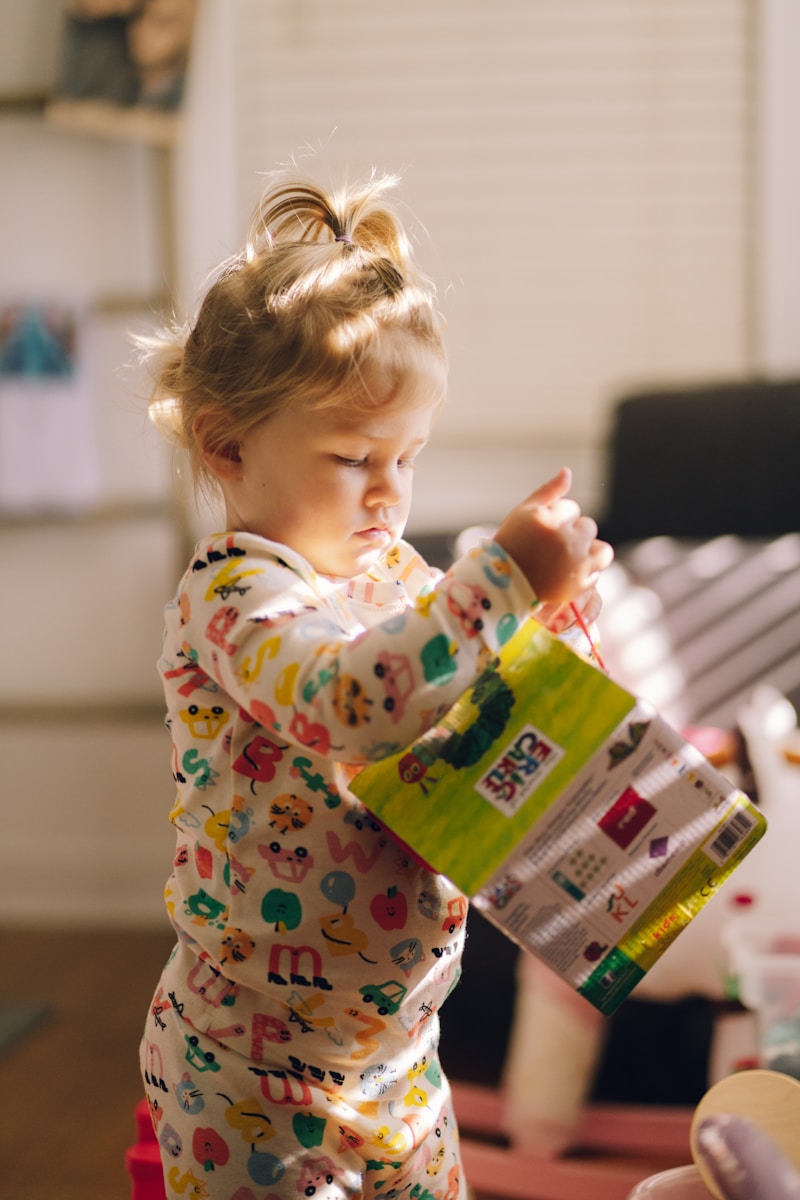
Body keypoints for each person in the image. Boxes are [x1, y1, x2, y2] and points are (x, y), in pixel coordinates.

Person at [138, 167, 613, 1200]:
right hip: (249, 1081)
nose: (390, 492)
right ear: (226, 444)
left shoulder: (390, 576)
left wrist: (553, 618)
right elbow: (351, 701)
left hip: (397, 1059)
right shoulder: (231, 598)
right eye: (355, 456)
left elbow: (475, 688)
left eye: (409, 457)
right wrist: (499, 579)